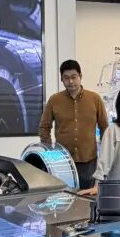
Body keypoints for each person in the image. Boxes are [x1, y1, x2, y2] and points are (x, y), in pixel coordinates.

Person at [37, 59, 109, 189]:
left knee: (88, 196)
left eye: (74, 77)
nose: (70, 81)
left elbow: (104, 127)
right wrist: (50, 153)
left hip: (88, 160)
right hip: (62, 161)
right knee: (64, 195)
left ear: (80, 76)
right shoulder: (54, 100)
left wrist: (105, 153)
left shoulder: (94, 99)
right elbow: (44, 127)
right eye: (66, 78)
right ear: (61, 79)